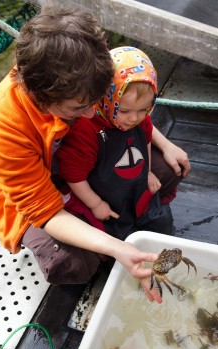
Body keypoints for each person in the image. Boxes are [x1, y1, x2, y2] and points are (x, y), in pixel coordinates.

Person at [0, 4, 163, 303]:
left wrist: (164, 143)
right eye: (78, 108)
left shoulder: (78, 73)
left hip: (73, 165)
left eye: (95, 100)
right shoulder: (2, 128)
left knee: (166, 170)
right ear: (39, 96)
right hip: (27, 199)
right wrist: (116, 248)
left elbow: (124, 109)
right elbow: (45, 211)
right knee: (69, 262)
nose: (92, 113)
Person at [57, 46, 191, 239]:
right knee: (115, 234)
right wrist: (95, 204)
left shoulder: (140, 117)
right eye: (125, 111)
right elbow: (74, 175)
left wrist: (147, 172)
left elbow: (145, 140)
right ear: (106, 98)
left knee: (161, 222)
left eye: (144, 109)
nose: (134, 118)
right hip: (104, 193)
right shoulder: (85, 130)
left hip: (133, 186)